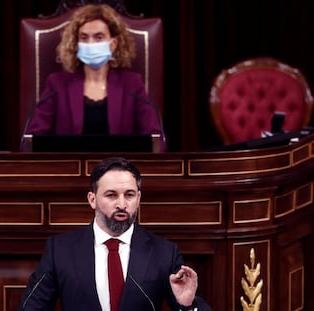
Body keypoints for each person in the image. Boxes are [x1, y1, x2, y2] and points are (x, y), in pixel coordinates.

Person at [19, 157, 212, 311]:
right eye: (111, 195)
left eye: (129, 195)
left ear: (138, 198)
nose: (121, 204)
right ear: (92, 199)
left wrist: (187, 306)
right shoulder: (61, 250)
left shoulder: (164, 253)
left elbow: (191, 305)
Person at [25, 4, 165, 150]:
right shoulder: (57, 84)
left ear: (113, 44)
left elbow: (154, 140)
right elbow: (33, 140)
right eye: (84, 38)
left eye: (98, 37)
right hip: (72, 169)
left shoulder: (131, 84)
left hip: (119, 169)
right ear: (76, 43)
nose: (90, 43)